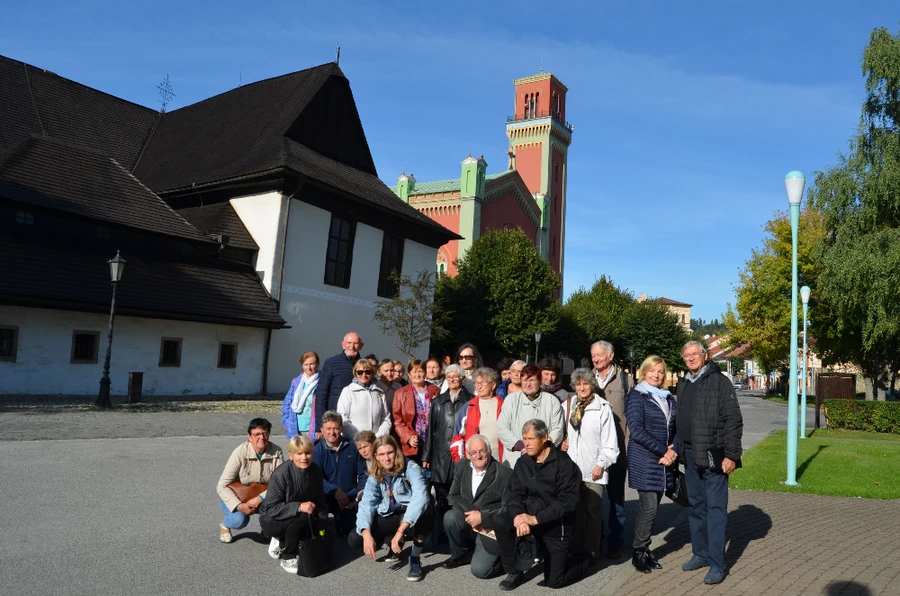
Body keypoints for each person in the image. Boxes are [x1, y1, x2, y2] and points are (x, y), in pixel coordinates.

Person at [676, 340, 743, 585]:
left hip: (715, 454)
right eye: (687, 355)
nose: (691, 358)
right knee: (695, 506)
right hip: (690, 454)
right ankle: (700, 554)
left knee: (715, 509)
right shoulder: (684, 382)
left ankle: (717, 563)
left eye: (695, 354)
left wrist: (732, 455)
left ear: (705, 356)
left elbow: (733, 420)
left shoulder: (719, 381)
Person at [496, 419, 582, 591]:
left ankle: (584, 559)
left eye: (530, 439)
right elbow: (514, 495)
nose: (526, 444)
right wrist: (519, 517)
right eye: (524, 439)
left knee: (554, 582)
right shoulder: (523, 463)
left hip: (555, 526)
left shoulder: (564, 464)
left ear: (544, 438)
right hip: (529, 521)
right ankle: (514, 571)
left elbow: (567, 502)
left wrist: (536, 519)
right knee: (501, 520)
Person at [351, 436, 433, 582]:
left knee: (424, 512)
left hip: (408, 515)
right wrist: (366, 532)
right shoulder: (375, 474)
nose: (386, 458)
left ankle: (414, 558)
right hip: (389, 513)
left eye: (390, 453)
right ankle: (393, 542)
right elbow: (366, 503)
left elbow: (421, 497)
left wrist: (401, 531)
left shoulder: (411, 468)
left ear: (397, 452)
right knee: (355, 539)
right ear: (376, 456)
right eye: (381, 454)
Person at [625, 356, 679, 573]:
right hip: (645, 460)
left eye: (660, 371)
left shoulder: (668, 398)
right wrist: (663, 450)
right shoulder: (637, 396)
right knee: (649, 508)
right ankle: (639, 552)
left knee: (652, 508)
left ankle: (644, 550)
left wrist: (673, 450)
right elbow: (636, 430)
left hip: (664, 461)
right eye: (652, 371)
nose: (656, 375)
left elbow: (678, 428)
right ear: (643, 372)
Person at [560, 368, 619, 563]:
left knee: (592, 513)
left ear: (592, 385)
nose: (582, 387)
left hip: (593, 469)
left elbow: (610, 443)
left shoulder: (602, 408)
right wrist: (563, 442)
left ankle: (592, 552)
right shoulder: (568, 405)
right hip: (572, 470)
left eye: (585, 383)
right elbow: (561, 432)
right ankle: (576, 550)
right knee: (574, 512)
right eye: (578, 384)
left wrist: (601, 464)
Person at [443, 435, 512, 578]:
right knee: (451, 517)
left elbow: (507, 510)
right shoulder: (462, 466)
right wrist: (473, 513)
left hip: (491, 527)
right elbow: (453, 495)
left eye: (482, 451)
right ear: (468, 454)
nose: (478, 456)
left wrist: (482, 517)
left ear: (489, 451)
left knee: (481, 571)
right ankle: (461, 555)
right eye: (473, 453)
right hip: (470, 519)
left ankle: (506, 560)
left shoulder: (505, 474)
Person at [259, 435, 329, 574]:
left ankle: (283, 540)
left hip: (299, 513)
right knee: (302, 516)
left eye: (308, 453)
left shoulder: (316, 471)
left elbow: (320, 500)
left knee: (316, 521)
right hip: (272, 519)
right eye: (299, 453)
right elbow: (272, 508)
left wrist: (322, 525)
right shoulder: (281, 474)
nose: (304, 457)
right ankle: (288, 556)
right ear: (291, 455)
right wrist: (298, 506)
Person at [590, 340, 633, 559]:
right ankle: (594, 541)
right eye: (593, 355)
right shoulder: (586, 379)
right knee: (592, 499)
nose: (596, 359)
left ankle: (615, 541)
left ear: (611, 355)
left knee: (616, 499)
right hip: (591, 452)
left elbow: (632, 419)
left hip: (617, 451)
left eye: (599, 355)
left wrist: (627, 450)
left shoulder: (625, 380)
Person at [422, 362, 472, 542]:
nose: (452, 380)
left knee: (460, 494)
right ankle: (439, 533)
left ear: (462, 379)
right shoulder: (438, 401)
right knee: (441, 496)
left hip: (461, 455)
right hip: (441, 456)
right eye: (448, 377)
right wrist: (426, 456)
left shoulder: (470, 400)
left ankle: (459, 534)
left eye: (455, 377)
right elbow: (430, 431)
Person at [216, 418, 283, 544]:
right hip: (239, 496)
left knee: (280, 511)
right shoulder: (240, 452)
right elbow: (221, 486)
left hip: (264, 497)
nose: (261, 437)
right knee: (239, 520)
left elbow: (281, 483)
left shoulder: (277, 451)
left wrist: (259, 499)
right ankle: (225, 525)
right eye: (257, 434)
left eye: (265, 433)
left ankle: (267, 529)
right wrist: (239, 506)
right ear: (249, 437)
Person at [496, 364, 565, 468]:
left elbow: (558, 429)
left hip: (543, 460)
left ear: (540, 381)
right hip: (515, 459)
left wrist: (541, 447)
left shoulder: (552, 401)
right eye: (524, 380)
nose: (528, 384)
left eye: (532, 380)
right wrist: (521, 446)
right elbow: (502, 428)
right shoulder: (511, 400)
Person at [313, 411, 368, 536]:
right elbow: (316, 478)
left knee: (349, 534)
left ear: (341, 429)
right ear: (322, 429)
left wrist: (360, 494)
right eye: (328, 429)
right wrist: (335, 491)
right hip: (326, 497)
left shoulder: (352, 447)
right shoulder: (317, 451)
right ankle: (323, 530)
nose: (332, 432)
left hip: (350, 497)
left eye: (336, 428)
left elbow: (363, 473)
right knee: (322, 533)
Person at [450, 367, 504, 463]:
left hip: (500, 461)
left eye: (483, 383)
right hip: (474, 463)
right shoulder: (469, 406)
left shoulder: (503, 405)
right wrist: (460, 462)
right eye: (476, 383)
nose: (479, 386)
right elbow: (458, 436)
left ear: (493, 385)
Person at [315, 332, 363, 435]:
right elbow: (321, 394)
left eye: (355, 343)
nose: (352, 346)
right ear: (343, 344)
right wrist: (320, 426)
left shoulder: (365, 366)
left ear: (361, 346)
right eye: (349, 343)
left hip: (357, 420)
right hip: (335, 418)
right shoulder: (332, 363)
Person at [392, 360, 439, 462]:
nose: (417, 374)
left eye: (420, 371)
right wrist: (408, 436)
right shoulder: (400, 393)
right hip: (413, 442)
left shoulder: (435, 390)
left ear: (425, 373)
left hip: (432, 441)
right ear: (409, 374)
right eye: (414, 371)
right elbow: (397, 421)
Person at [337, 359, 391, 439]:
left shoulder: (379, 392)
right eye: (360, 372)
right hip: (353, 441)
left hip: (375, 443)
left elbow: (386, 419)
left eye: (368, 372)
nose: (364, 375)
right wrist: (359, 439)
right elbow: (343, 418)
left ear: (372, 373)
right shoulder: (348, 391)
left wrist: (377, 438)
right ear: (355, 373)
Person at [282, 351, 319, 439]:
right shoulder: (296, 382)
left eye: (311, 364)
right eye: (306, 364)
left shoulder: (322, 382)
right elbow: (287, 403)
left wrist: (321, 429)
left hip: (313, 429)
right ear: (302, 365)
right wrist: (287, 423)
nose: (309, 367)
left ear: (317, 364)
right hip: (295, 428)